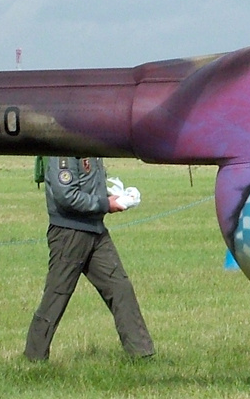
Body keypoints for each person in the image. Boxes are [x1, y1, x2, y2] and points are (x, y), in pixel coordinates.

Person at [24, 155, 154, 361]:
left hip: (95, 230)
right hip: (69, 233)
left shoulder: (89, 146)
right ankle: (34, 357)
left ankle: (142, 354)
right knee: (57, 295)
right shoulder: (64, 151)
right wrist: (105, 204)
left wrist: (117, 196)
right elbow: (65, 195)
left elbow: (88, 185)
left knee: (120, 287)